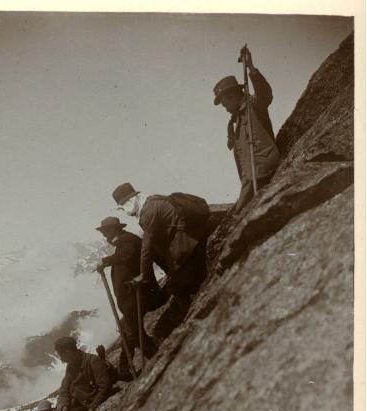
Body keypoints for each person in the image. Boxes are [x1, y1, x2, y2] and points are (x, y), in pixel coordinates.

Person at [95, 216, 167, 379]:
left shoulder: (127, 241)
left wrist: (105, 261)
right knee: (129, 329)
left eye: (105, 231)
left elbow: (125, 255)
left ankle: (157, 357)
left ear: (114, 229)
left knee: (133, 331)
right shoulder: (124, 241)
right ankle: (126, 367)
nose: (104, 235)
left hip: (136, 295)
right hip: (131, 296)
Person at [112, 182, 210, 301]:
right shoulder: (152, 200)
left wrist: (143, 274)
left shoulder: (147, 213)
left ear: (131, 201)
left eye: (124, 207)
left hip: (190, 239)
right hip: (191, 234)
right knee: (180, 280)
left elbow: (147, 247)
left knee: (176, 286)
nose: (126, 212)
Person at [213, 47, 280, 213]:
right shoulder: (234, 122)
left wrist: (250, 67)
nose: (225, 109)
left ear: (233, 96)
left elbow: (265, 95)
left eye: (225, 104)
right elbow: (243, 163)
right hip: (251, 177)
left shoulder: (253, 105)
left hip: (264, 170)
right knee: (236, 213)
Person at [54, 336, 113, 411]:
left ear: (68, 351)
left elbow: (105, 387)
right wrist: (65, 407)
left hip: (94, 402)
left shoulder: (93, 361)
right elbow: (64, 389)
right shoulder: (71, 366)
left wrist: (92, 409)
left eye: (62, 354)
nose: (61, 359)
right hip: (84, 404)